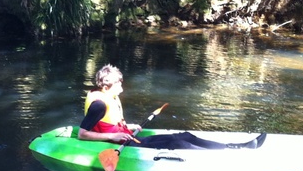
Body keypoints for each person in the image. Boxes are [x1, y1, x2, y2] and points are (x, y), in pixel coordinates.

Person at [78, 64, 266, 150]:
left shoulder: (109, 97)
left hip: (126, 138)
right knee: (177, 144)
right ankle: (227, 155)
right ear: (105, 86)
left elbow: (110, 122)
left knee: (185, 135)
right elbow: (83, 134)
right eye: (118, 83)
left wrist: (130, 126)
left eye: (121, 81)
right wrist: (114, 135)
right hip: (120, 144)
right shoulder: (99, 104)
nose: (122, 86)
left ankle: (232, 147)